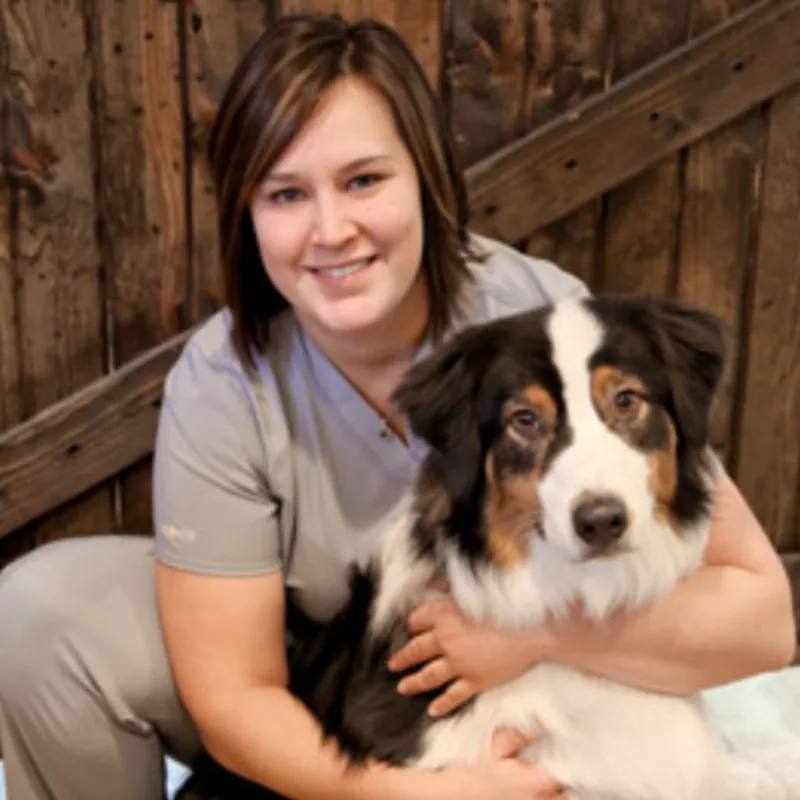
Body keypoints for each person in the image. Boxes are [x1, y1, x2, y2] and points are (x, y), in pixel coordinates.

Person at [0, 11, 795, 800]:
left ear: (427, 177)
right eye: (285, 194)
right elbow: (236, 693)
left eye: (364, 180)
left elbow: (763, 621)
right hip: (313, 666)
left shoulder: (550, 327)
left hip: (507, 640)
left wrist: (532, 634)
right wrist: (419, 798)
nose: (331, 231)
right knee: (38, 613)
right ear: (247, 214)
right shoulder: (224, 380)